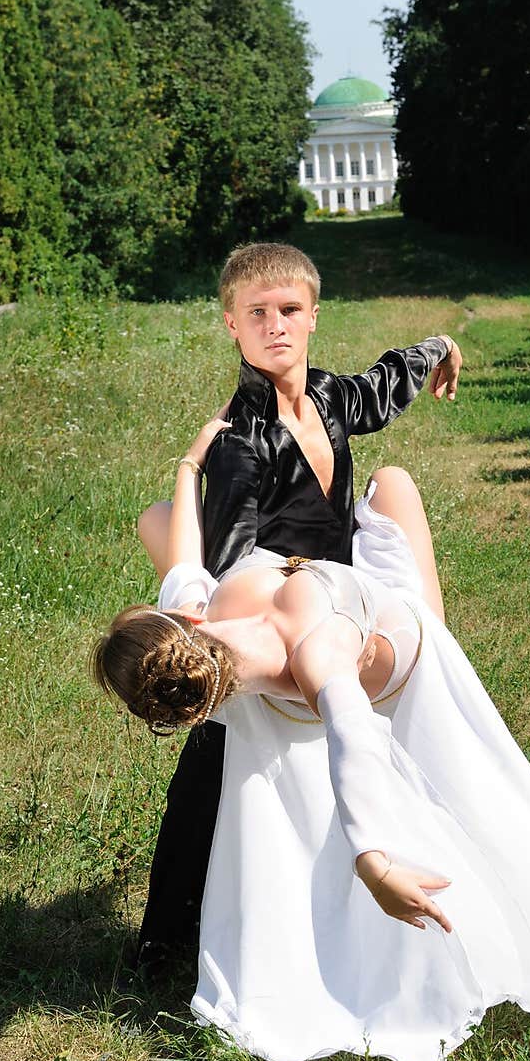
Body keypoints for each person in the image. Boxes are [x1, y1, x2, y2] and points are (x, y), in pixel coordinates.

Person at [92, 424, 530, 1061]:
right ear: (190, 628)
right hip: (369, 635)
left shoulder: (268, 645)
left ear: (185, 714)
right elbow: (186, 566)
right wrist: (188, 466)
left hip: (371, 633)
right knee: (384, 486)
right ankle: (334, 524)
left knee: (374, 494)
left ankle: (342, 531)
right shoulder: (240, 619)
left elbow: (352, 735)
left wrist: (372, 862)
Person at [135, 240, 462, 975]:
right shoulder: (240, 445)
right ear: (232, 326)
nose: (275, 326)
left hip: (342, 604)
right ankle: (167, 932)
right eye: (258, 314)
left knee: (370, 736)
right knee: (219, 745)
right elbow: (231, 557)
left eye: (289, 310)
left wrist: (439, 347)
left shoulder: (330, 397)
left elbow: (386, 383)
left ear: (314, 315)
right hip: (275, 614)